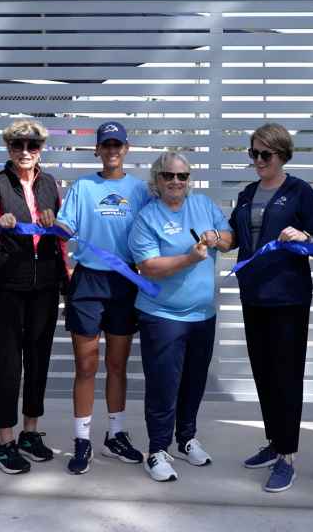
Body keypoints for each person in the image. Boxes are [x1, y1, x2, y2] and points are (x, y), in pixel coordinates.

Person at [229, 123, 313, 493]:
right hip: (253, 297)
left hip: (287, 299)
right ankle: (273, 442)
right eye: (253, 153)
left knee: (286, 377)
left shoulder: (299, 192)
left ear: (282, 154)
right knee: (264, 374)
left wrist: (305, 237)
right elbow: (235, 234)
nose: (258, 161)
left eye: (264, 154)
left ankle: (287, 456)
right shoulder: (247, 193)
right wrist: (215, 238)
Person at [129, 151, 234, 482]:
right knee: (163, 385)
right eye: (169, 176)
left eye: (182, 176)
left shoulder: (202, 205)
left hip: (202, 314)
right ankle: (157, 450)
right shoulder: (147, 217)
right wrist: (189, 258)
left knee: (193, 382)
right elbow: (148, 267)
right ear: (157, 180)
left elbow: (230, 239)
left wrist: (217, 237)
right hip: (162, 315)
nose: (176, 182)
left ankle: (186, 439)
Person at [55, 121, 151, 474]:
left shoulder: (139, 190)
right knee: (86, 365)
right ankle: (82, 440)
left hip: (124, 281)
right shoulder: (83, 186)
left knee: (117, 364)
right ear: (97, 149)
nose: (112, 151)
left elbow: (152, 229)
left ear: (126, 149)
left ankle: (115, 435)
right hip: (88, 283)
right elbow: (66, 226)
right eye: (106, 145)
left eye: (118, 145)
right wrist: (55, 225)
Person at [0, 120, 68, 475]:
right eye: (18, 145)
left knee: (38, 360)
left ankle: (30, 432)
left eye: (32, 146)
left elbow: (64, 235)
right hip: (7, 287)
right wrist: (0, 225)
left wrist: (56, 227)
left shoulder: (50, 184)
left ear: (42, 148)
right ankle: (5, 440)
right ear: (8, 148)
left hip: (44, 286)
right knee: (6, 365)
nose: (25, 152)